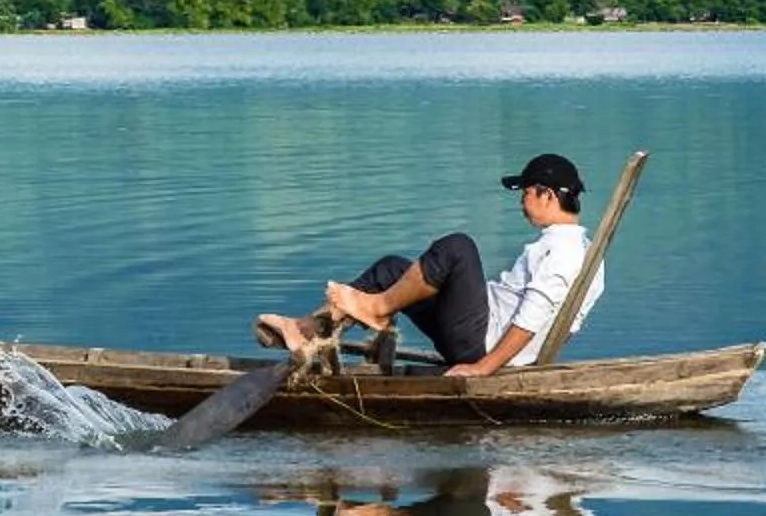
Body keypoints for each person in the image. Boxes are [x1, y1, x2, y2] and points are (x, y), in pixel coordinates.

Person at [257, 153, 605, 378]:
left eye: (526, 192)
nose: (521, 200)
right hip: (479, 330)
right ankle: (306, 331)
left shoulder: (565, 253)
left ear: (547, 194)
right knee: (393, 270)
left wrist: (483, 368)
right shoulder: (575, 248)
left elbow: (532, 318)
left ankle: (377, 309)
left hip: (481, 345)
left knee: (459, 248)